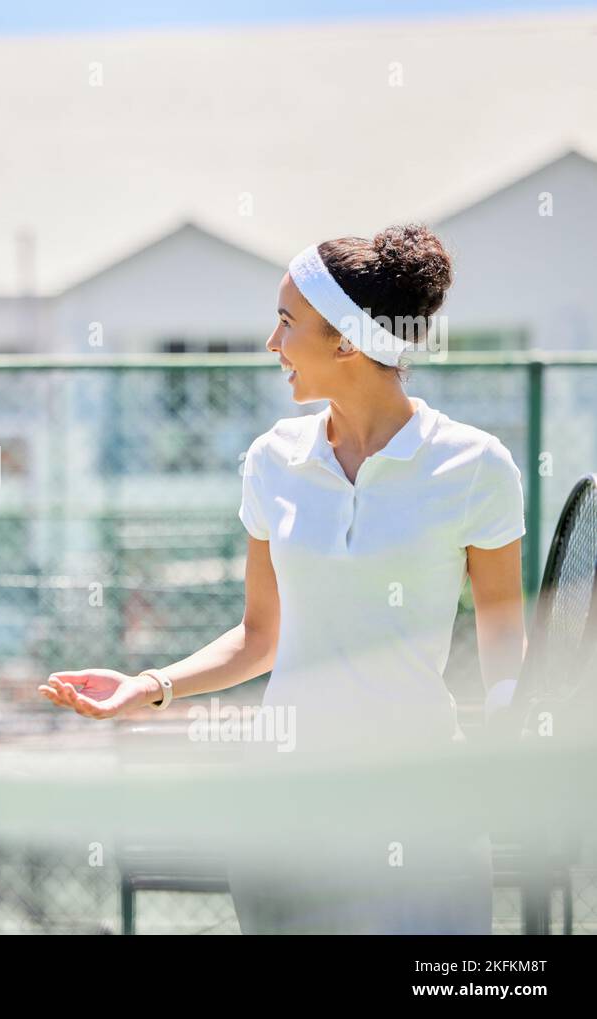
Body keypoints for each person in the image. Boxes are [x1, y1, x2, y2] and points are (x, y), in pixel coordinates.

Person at [39, 224, 526, 933]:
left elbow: (503, 630)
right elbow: (260, 636)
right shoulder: (274, 459)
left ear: (346, 341)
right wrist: (148, 686)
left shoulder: (476, 467)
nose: (272, 345)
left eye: (287, 323)